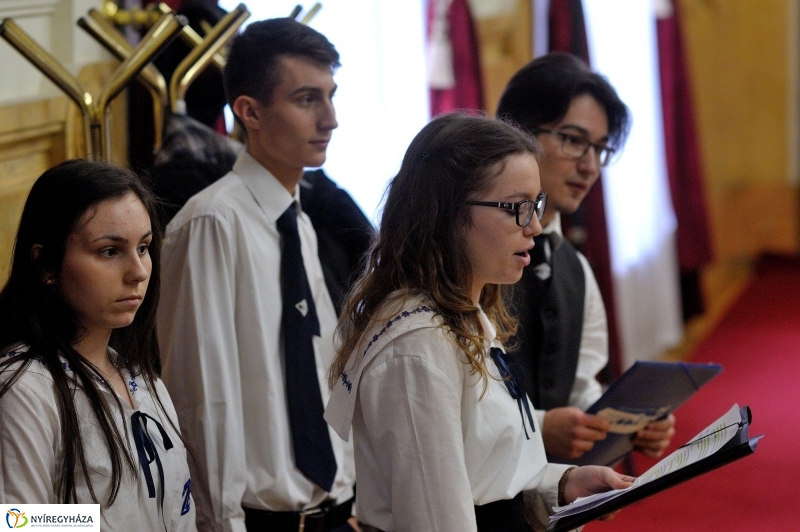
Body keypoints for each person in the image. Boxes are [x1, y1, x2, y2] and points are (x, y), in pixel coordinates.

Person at [325, 113, 633, 532]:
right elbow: (436, 521)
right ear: (448, 212)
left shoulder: (465, 312)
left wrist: (562, 485)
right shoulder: (418, 347)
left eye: (536, 205)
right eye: (518, 208)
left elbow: (487, 471)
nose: (536, 226)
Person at [157, 18, 356, 532]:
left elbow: (322, 367)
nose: (330, 118)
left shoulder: (299, 222)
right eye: (308, 99)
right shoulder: (211, 224)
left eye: (331, 96)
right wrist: (221, 524)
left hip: (335, 511)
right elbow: (202, 398)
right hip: (258, 520)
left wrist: (356, 487)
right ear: (250, 111)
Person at [496, 53, 676, 461]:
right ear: (517, 134)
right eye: (574, 141)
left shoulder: (574, 269)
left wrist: (628, 423)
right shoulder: (465, 254)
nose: (590, 166)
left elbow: (579, 385)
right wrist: (538, 428)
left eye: (600, 149)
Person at [0, 159, 195, 531]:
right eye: (109, 251)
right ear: (46, 266)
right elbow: (16, 521)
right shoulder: (25, 388)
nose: (138, 271)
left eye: (144, 247)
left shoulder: (139, 376)